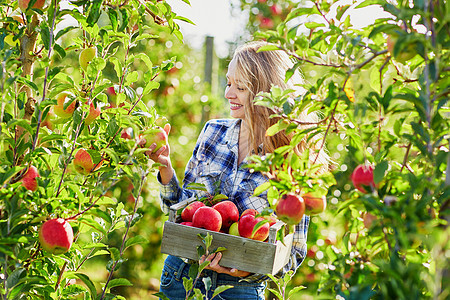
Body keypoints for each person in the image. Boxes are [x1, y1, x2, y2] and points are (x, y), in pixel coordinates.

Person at [148, 41, 329, 300]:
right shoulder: (213, 132)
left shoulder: (290, 158)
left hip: (239, 292)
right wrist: (164, 167)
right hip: (181, 277)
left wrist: (246, 272)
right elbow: (180, 212)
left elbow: (294, 252)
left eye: (240, 87)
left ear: (267, 94)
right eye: (228, 82)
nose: (228, 93)